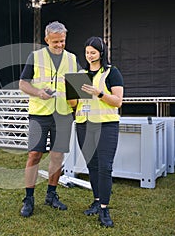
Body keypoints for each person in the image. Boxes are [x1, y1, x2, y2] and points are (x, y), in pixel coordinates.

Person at [19, 21, 80, 217]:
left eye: (62, 41)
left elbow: (80, 86)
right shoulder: (35, 57)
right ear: (46, 40)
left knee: (57, 156)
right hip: (39, 115)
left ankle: (51, 195)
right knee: (34, 155)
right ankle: (29, 198)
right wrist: (38, 92)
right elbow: (22, 84)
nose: (60, 45)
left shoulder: (72, 59)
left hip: (63, 115)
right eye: (55, 42)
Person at [72, 36, 124, 227]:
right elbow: (74, 104)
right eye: (87, 52)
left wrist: (99, 93)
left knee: (105, 167)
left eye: (93, 52)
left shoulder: (112, 72)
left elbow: (118, 101)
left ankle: (104, 209)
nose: (89, 55)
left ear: (101, 53)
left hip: (106, 125)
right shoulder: (80, 74)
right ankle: (96, 200)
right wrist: (68, 91)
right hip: (84, 124)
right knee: (92, 166)